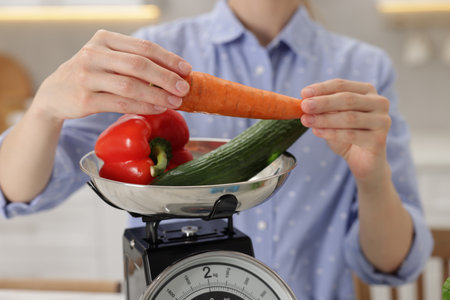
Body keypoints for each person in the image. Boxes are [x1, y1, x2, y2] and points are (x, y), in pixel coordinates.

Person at [0, 0, 433, 299]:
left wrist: (372, 178)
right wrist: (45, 110)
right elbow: (17, 190)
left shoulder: (364, 69)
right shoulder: (153, 56)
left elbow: (393, 264)